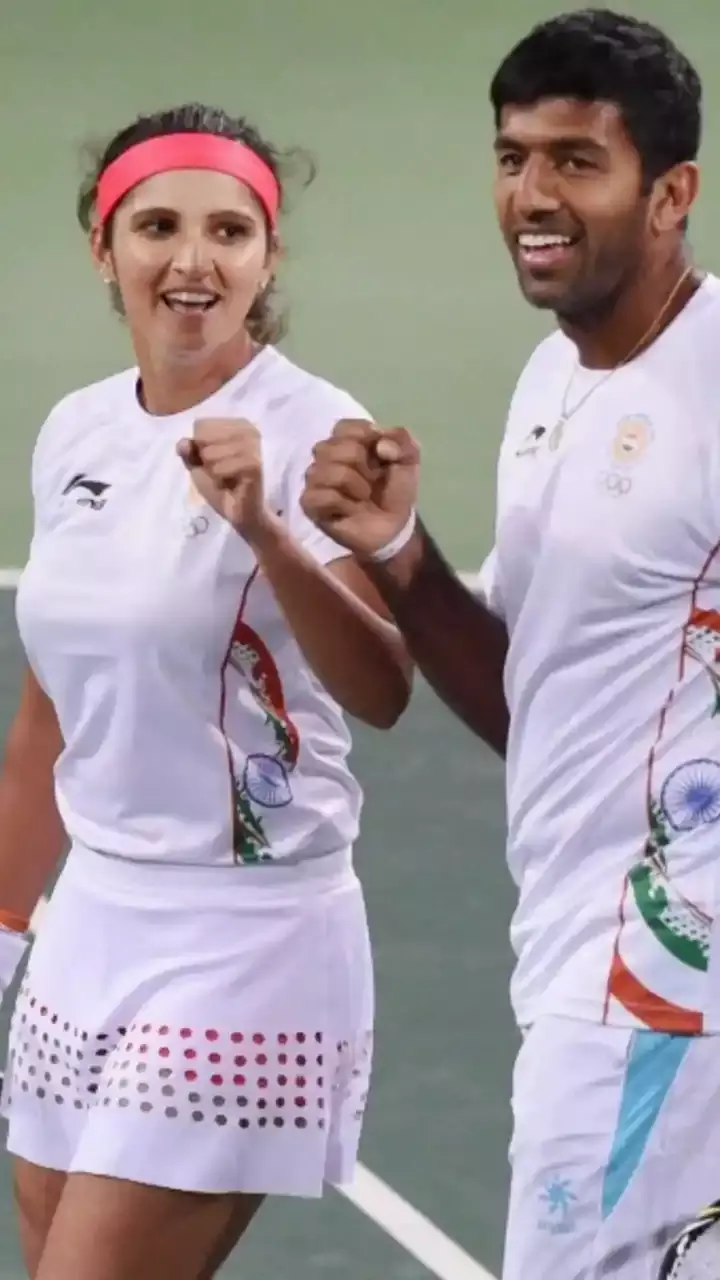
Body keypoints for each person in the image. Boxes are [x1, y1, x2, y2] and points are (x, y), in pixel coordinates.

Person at [300, 10, 720, 1278]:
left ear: (670, 192)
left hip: (661, 976)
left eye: (575, 161)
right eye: (511, 157)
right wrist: (403, 555)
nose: (531, 196)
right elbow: (523, 696)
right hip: (581, 953)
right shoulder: (554, 383)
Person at [0, 102, 413, 1280]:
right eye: (159, 226)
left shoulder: (317, 426)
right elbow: (50, 715)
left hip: (250, 932)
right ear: (102, 246)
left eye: (230, 230)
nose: (194, 259)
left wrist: (267, 528)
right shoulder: (75, 428)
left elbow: (383, 684)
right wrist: (2, 929)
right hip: (91, 919)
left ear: (267, 257)